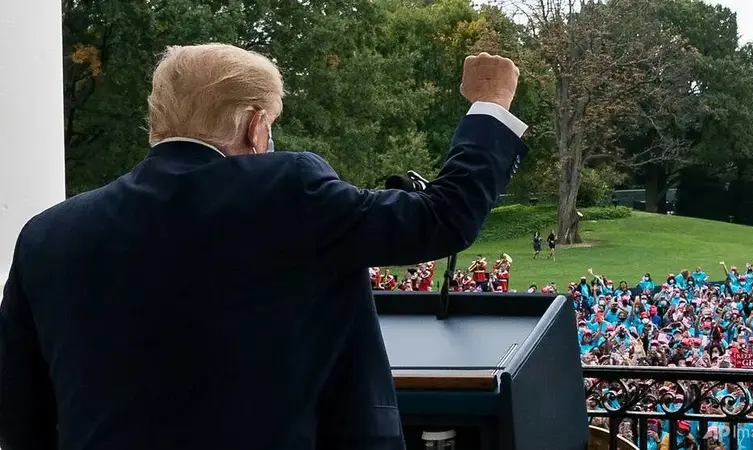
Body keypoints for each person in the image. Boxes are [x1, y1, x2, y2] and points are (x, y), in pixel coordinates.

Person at [0, 45, 528, 450]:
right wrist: (491, 104)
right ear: (256, 126)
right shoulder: (287, 190)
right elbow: (441, 219)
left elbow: (20, 414)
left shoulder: (49, 234)